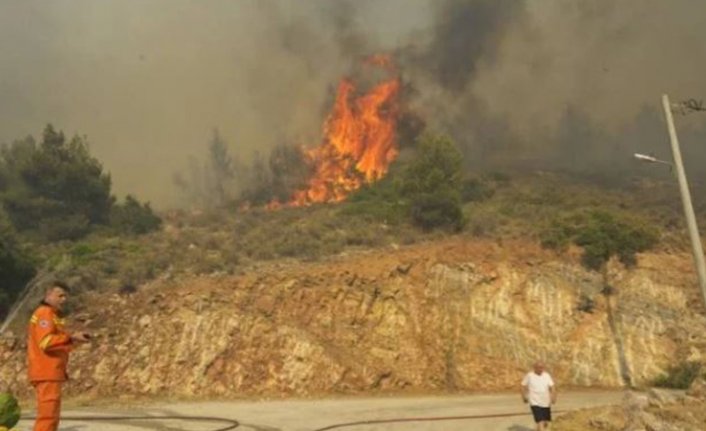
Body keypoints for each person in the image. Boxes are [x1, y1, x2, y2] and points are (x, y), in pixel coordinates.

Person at [27, 281, 91, 431]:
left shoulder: (50, 315)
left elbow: (57, 345)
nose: (64, 299)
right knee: (48, 415)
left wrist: (74, 340)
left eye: (65, 296)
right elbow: (46, 342)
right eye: (60, 295)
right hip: (46, 371)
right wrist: (70, 336)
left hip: (50, 371)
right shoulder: (45, 313)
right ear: (48, 294)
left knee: (51, 415)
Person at [521, 361, 557, 431]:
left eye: (542, 367)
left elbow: (552, 387)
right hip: (534, 402)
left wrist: (554, 397)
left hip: (545, 402)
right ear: (534, 368)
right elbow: (523, 385)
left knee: (546, 422)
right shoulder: (529, 375)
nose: (541, 369)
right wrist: (524, 396)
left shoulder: (546, 375)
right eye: (539, 367)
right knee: (540, 421)